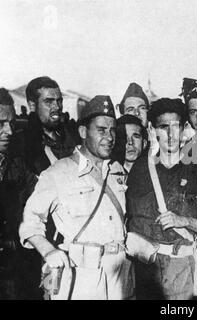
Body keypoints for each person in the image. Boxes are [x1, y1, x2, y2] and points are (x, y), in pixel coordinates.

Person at [19, 95, 134, 300]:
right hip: (81, 279)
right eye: (101, 130)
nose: (109, 137)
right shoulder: (58, 173)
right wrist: (48, 252)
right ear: (82, 132)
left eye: (112, 130)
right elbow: (30, 223)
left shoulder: (118, 171)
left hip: (121, 276)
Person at [126, 98, 197, 300]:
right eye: (163, 127)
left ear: (185, 129)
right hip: (147, 271)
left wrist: (184, 221)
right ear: (152, 130)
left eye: (176, 127)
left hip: (186, 269)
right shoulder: (140, 170)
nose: (170, 135)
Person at [0, 88, 39, 299]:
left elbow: (38, 194)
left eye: (12, 123)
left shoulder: (17, 164)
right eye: (0, 123)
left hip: (13, 271)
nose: (9, 131)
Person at [24, 76, 80, 176]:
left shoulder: (73, 134)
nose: (57, 107)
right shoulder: (24, 144)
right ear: (32, 105)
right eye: (48, 101)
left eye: (59, 101)